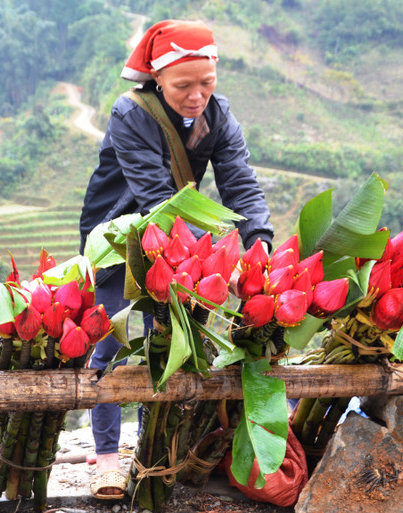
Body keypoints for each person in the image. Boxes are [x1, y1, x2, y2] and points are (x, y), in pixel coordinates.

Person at [78, 19, 274, 500]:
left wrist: (258, 242)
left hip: (177, 237)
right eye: (184, 85)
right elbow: (155, 196)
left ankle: (152, 452)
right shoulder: (131, 112)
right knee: (108, 344)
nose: (196, 95)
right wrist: (208, 252)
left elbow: (239, 183)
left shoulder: (219, 114)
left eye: (206, 83)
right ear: (158, 79)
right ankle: (106, 459)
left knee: (168, 345)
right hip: (120, 236)